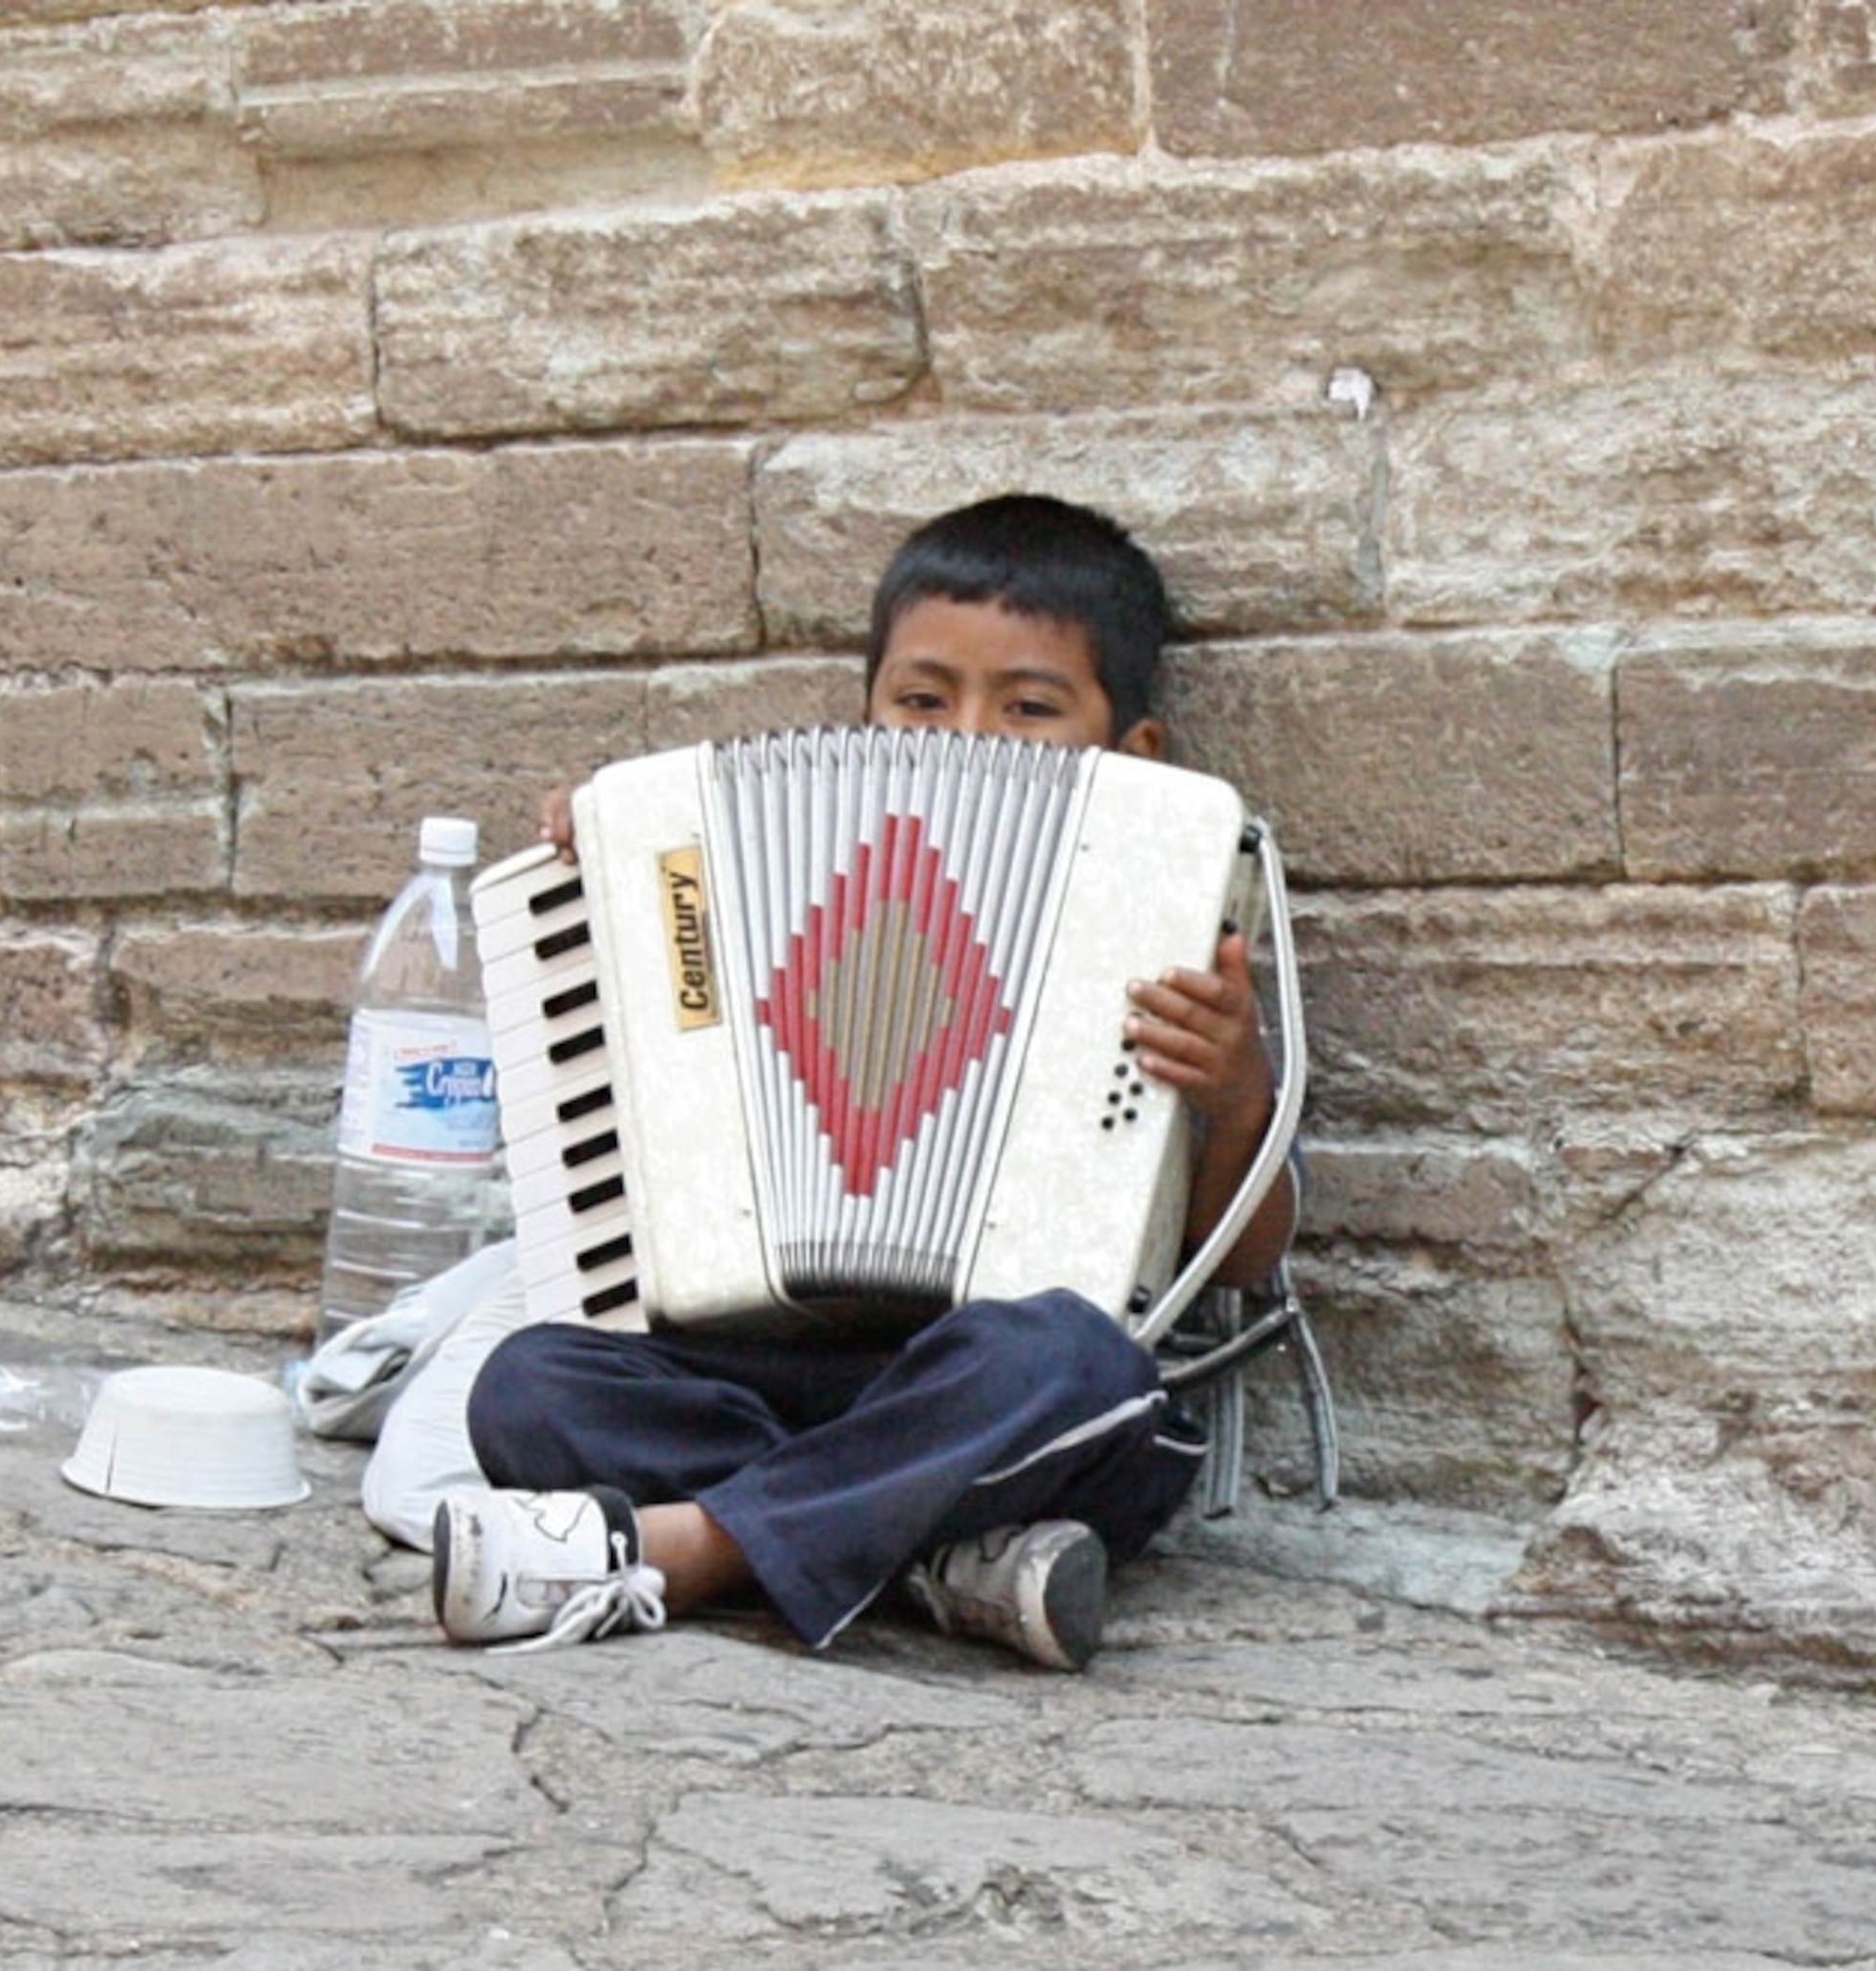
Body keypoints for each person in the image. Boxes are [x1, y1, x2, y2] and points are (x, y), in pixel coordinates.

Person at [430, 494, 1297, 1670]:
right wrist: (621, 878)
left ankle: (686, 1549)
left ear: (1129, 748)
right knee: (530, 1383)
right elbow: (663, 1005)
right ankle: (938, 1557)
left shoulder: (1178, 895)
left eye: (1032, 706)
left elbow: (1243, 1260)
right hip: (768, 1364)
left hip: (997, 1387)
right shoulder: (770, 846)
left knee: (1082, 1368)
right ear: (871, 710)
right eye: (923, 697)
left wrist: (1238, 1096)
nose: (968, 731)